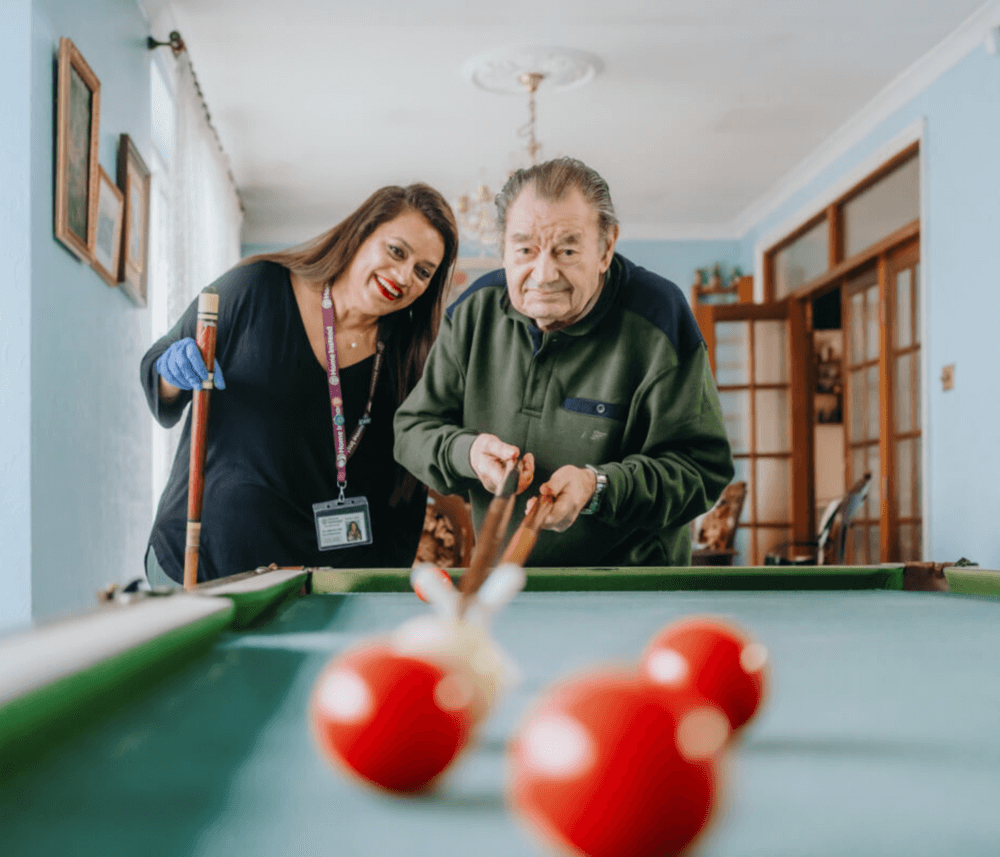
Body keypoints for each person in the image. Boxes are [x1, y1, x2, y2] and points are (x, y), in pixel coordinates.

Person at [393, 158, 733, 567]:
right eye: (525, 250)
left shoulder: (660, 315)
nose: (543, 273)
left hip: (631, 588)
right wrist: (468, 452)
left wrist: (599, 487)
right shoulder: (473, 312)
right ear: (503, 248)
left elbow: (701, 470)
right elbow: (411, 431)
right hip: (508, 585)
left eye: (567, 250)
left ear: (606, 248)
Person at [141, 184, 458, 584]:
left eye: (423, 271)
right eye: (396, 251)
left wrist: (378, 587)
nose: (403, 276)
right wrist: (173, 372)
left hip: (315, 589)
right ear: (361, 233)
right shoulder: (255, 287)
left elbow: (404, 495)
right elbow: (159, 368)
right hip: (200, 564)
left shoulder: (412, 360)